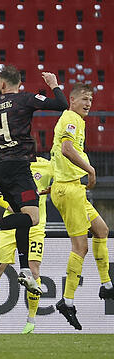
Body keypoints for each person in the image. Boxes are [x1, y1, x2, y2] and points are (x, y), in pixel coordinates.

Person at [0, 66, 68, 297]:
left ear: (1, 84)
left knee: (20, 218)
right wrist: (54, 84)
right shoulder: (25, 99)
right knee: (32, 218)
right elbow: (62, 105)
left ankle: (24, 269)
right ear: (18, 83)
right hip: (18, 167)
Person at [50, 83, 114, 330]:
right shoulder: (70, 118)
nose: (88, 103)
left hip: (71, 187)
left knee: (102, 230)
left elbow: (57, 152)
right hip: (70, 189)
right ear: (72, 99)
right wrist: (90, 168)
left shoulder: (75, 119)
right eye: (85, 99)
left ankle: (107, 285)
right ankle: (67, 301)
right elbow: (66, 149)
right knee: (80, 246)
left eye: (91, 100)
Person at [0, 158, 53, 334]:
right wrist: (10, 204)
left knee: (33, 270)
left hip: (36, 226)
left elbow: (61, 181)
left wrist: (53, 190)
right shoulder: (12, 165)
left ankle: (31, 320)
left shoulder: (47, 165)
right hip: (10, 223)